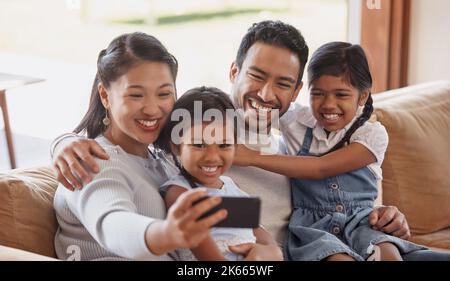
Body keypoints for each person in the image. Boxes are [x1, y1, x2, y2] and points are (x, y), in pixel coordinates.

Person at [51, 20, 415, 259]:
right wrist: (65, 143)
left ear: (296, 91)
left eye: (164, 94)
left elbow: (233, 205)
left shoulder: (289, 139)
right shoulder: (201, 135)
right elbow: (114, 221)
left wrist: (379, 215)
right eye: (256, 76)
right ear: (233, 71)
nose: (267, 94)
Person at [234, 42, 431, 261]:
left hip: (362, 223)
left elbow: (321, 168)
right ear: (303, 91)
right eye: (317, 93)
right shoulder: (297, 122)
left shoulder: (371, 135)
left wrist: (251, 157)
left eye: (341, 95)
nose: (328, 104)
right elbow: (262, 104)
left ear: (363, 96)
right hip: (314, 230)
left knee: (389, 255)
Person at [54, 32, 236, 261]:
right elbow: (113, 223)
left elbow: (226, 213)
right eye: (136, 95)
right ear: (105, 95)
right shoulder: (92, 161)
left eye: (164, 94)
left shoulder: (165, 159)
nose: (152, 109)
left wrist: (264, 245)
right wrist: (167, 233)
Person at [156, 86, 279, 261]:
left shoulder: (230, 185)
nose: (212, 157)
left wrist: (273, 251)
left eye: (223, 145)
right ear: (177, 146)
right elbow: (202, 247)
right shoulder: (179, 192)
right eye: (199, 145)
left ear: (236, 146)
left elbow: (257, 229)